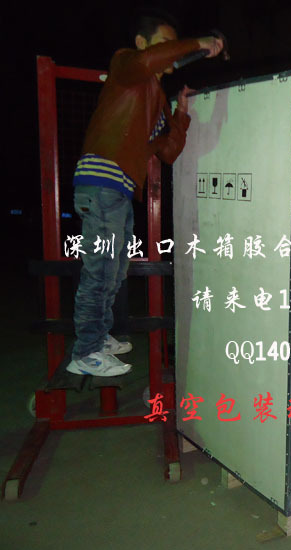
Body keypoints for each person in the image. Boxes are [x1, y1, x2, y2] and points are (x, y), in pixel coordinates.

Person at [67, 14, 223, 376]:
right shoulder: (126, 66)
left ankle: (98, 336)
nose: (172, 53)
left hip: (118, 190)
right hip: (101, 182)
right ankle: (86, 351)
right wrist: (199, 44)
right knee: (101, 271)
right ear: (142, 44)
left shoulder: (156, 100)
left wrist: (181, 114)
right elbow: (149, 61)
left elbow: (169, 152)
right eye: (165, 44)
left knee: (114, 271)